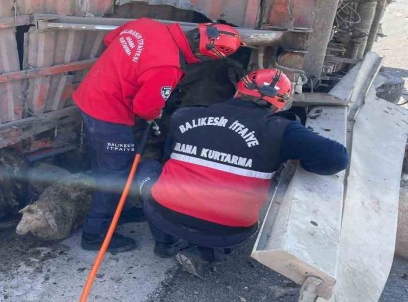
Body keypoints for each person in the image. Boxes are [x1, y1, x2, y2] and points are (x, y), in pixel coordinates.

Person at [135, 68, 349, 278]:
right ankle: (205, 254)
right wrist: (304, 162)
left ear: (238, 90)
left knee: (150, 167)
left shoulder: (185, 115)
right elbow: (336, 159)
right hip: (228, 231)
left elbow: (169, 157)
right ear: (280, 105)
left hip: (164, 215)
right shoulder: (282, 130)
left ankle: (165, 242)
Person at [73, 18, 243, 253]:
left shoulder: (145, 25)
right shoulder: (168, 67)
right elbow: (145, 108)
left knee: (103, 165)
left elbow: (109, 40)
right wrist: (156, 112)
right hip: (110, 116)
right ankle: (95, 235)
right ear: (204, 55)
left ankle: (118, 212)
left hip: (89, 97)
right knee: (117, 176)